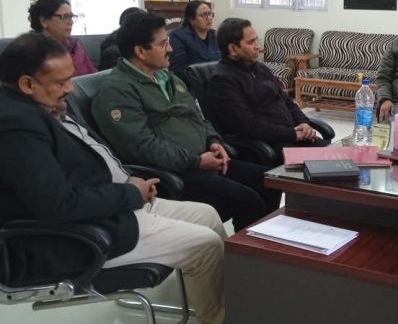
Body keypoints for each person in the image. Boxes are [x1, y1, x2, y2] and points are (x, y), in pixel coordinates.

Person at [0, 33, 226, 324]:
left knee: (208, 215)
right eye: (61, 82)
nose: (70, 88)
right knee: (206, 245)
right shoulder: (15, 125)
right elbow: (58, 205)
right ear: (27, 84)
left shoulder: (41, 106)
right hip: (83, 234)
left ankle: (221, 306)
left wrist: (128, 181)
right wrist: (130, 193)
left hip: (112, 206)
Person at [90, 12, 281, 232]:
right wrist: (196, 161)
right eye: (163, 44)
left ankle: (266, 243)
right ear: (140, 51)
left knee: (269, 180)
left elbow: (198, 116)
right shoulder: (117, 91)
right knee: (248, 200)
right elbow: (141, 146)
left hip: (203, 160)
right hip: (175, 172)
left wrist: (213, 141)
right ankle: (247, 251)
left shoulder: (168, 78)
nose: (170, 49)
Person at [208, 18, 329, 164]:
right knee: (325, 166)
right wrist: (292, 134)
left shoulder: (261, 68)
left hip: (293, 137)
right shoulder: (223, 79)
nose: (258, 47)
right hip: (270, 145)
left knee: (341, 159)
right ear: (233, 49)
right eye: (251, 42)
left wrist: (304, 123)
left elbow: (287, 101)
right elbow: (249, 126)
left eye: (257, 40)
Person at [27, 0, 97, 76]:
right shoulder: (31, 52)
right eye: (65, 17)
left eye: (72, 17)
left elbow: (94, 76)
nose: (71, 22)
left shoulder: (75, 46)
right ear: (44, 21)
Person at [169, 0, 220, 82]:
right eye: (204, 15)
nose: (209, 18)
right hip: (193, 83)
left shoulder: (216, 35)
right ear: (191, 19)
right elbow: (178, 70)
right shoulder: (178, 36)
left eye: (210, 14)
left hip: (217, 81)